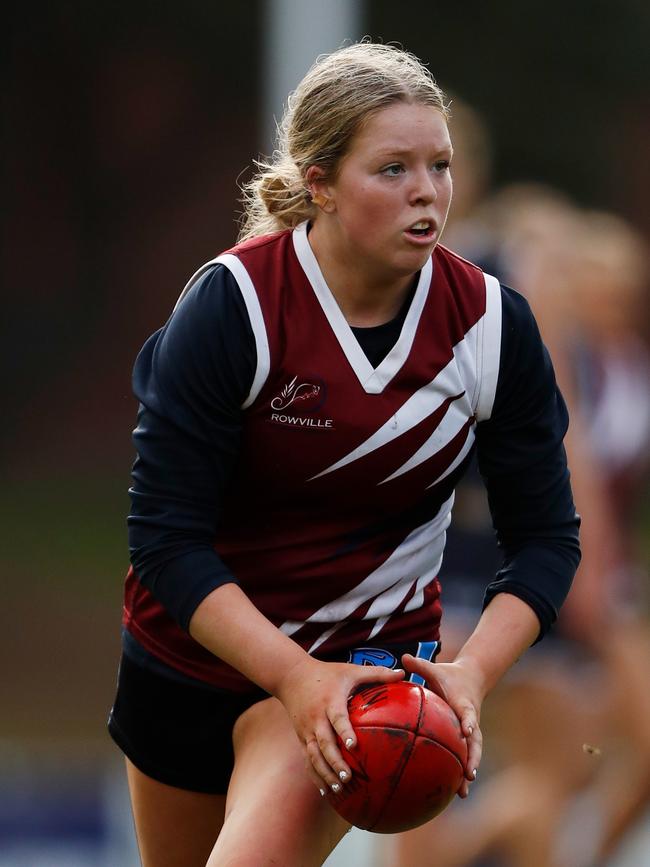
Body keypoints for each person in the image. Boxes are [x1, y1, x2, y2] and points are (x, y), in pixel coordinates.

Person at [107, 41, 581, 867]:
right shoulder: (236, 305)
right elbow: (163, 539)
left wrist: (468, 674)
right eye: (392, 169)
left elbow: (545, 541)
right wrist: (289, 672)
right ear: (318, 182)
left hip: (358, 675)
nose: (427, 192)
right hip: (186, 664)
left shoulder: (493, 326)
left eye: (440, 164)